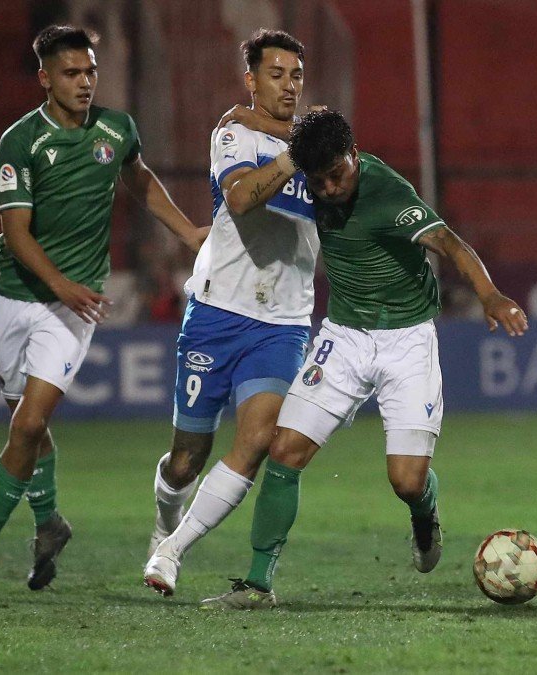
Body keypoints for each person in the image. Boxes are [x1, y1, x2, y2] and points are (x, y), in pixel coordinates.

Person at [200, 109, 529, 609]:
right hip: (345, 337)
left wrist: (489, 295)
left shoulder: (386, 192)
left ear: (354, 156)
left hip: (407, 341)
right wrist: (241, 114)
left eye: (338, 174)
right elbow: (279, 126)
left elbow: (449, 243)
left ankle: (425, 510)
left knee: (406, 480)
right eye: (320, 180)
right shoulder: (311, 168)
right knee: (284, 450)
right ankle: (257, 583)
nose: (330, 188)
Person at [0, 25, 207, 591]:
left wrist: (188, 233)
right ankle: (49, 522)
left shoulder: (117, 129)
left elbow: (140, 179)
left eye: (90, 72)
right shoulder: (20, 142)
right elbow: (16, 230)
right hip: (15, 296)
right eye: (71, 73)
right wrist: (59, 284)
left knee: (30, 422)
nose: (84, 83)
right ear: (45, 78)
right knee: (25, 428)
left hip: (71, 308)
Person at [142, 29, 319, 596]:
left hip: (283, 322)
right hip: (217, 313)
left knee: (259, 438)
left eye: (295, 75)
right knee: (187, 458)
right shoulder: (233, 135)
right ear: (251, 79)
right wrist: (298, 151)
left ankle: (172, 551)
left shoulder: (320, 145)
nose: (288, 85)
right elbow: (241, 198)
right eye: (276, 74)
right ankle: (164, 517)